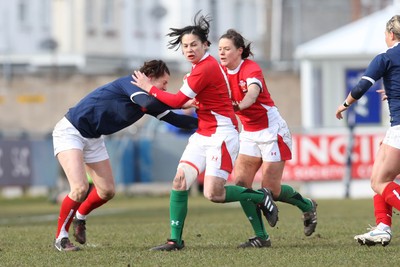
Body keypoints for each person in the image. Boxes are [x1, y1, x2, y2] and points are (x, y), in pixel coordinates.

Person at [131, 12, 278, 251]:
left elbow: (178, 100)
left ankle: (262, 198)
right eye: (185, 46)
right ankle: (174, 240)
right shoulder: (198, 69)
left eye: (194, 45)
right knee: (179, 181)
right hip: (204, 133)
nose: (189, 49)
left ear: (205, 45)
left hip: (222, 134)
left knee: (214, 193)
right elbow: (189, 102)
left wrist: (150, 89)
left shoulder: (205, 68)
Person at [52, 60, 199, 252]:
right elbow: (147, 102)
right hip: (71, 131)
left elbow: (178, 121)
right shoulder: (131, 84)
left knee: (107, 191)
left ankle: (80, 216)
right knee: (79, 188)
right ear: (150, 78)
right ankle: (61, 238)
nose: (165, 87)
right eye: (163, 83)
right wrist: (179, 101)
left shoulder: (150, 101)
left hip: (93, 138)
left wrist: (211, 119)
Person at [218, 29, 317, 248]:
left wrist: (240, 105)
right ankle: (261, 237)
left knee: (271, 190)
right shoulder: (219, 72)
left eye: (227, 49)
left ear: (239, 51)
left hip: (272, 130)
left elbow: (252, 94)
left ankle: (307, 205)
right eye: (220, 49)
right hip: (249, 133)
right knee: (242, 185)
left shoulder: (250, 68)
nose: (222, 53)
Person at [335, 15, 400, 247]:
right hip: (395, 128)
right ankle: (383, 227)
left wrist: (344, 104)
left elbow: (363, 85)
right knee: (379, 179)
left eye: (385, 34)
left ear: (390, 34)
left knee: (381, 181)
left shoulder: (386, 57)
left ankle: (383, 226)